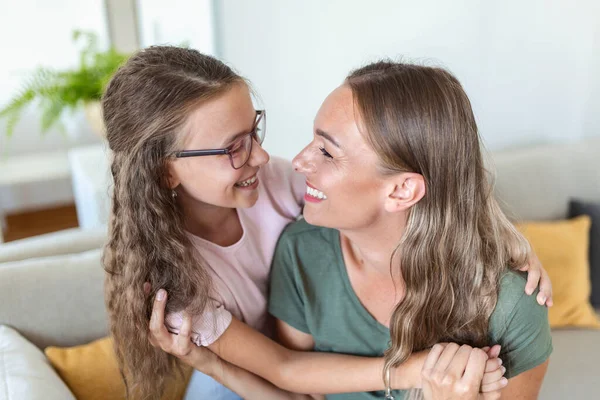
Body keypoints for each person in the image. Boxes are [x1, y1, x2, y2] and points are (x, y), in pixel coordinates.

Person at [103, 46, 551, 400]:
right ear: (165, 171)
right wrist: (418, 369)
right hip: (243, 375)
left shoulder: (270, 182)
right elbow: (286, 371)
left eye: (254, 130)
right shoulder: (171, 281)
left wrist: (502, 240)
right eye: (233, 147)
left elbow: (420, 180)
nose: (265, 155)